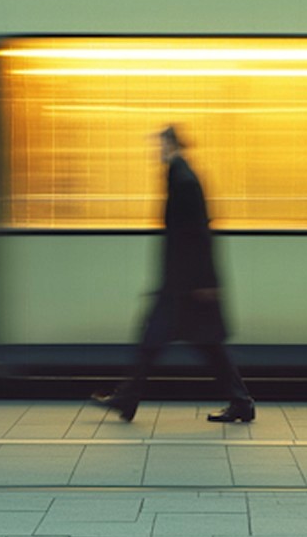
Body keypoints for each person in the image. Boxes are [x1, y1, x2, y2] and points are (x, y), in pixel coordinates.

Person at [92, 125, 255, 423]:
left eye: (160, 145)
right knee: (184, 343)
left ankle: (239, 401)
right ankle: (128, 399)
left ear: (170, 145)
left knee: (173, 342)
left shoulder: (183, 180)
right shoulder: (180, 177)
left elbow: (197, 233)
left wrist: (205, 282)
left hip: (186, 286)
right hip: (182, 282)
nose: (156, 152)